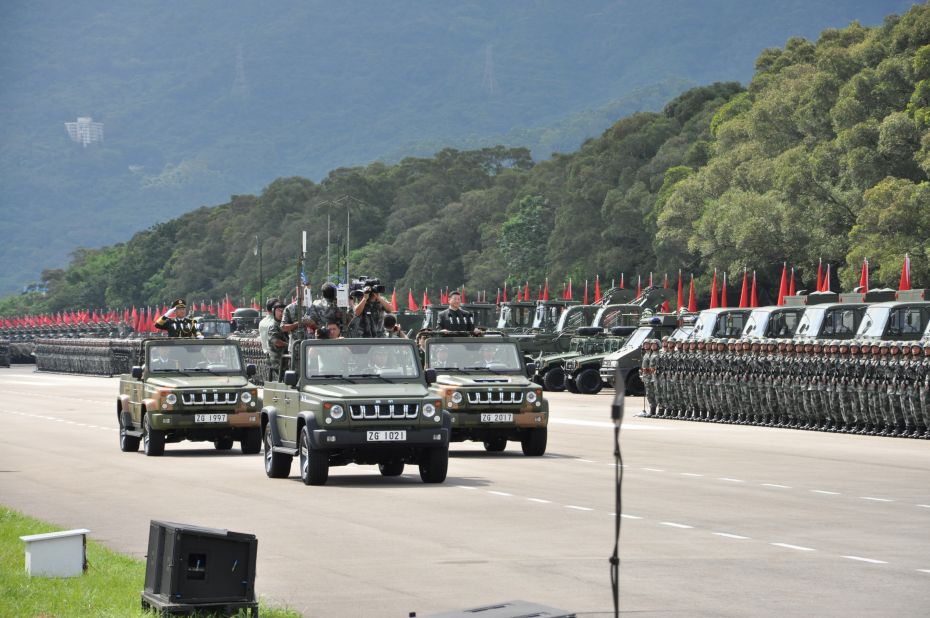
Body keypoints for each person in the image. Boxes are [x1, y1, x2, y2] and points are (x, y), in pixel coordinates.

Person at [266, 302, 288, 381]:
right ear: (274, 312)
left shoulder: (285, 324)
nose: (282, 313)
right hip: (278, 359)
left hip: (286, 359)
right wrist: (289, 345)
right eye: (279, 311)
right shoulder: (274, 326)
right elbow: (276, 342)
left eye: (283, 311)